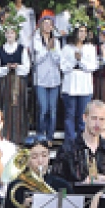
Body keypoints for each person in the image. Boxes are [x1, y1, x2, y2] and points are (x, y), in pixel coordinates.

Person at [59, 23, 97, 145]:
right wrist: (74, 60)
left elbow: (92, 66)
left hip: (85, 86)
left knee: (83, 116)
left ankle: (83, 141)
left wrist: (80, 60)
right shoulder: (67, 48)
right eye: (80, 31)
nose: (82, 34)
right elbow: (63, 67)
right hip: (70, 85)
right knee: (70, 115)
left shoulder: (90, 48)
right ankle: (69, 142)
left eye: (84, 32)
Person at [0, 22, 31, 145]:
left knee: (18, 110)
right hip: (4, 84)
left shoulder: (21, 49)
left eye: (12, 33)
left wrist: (17, 67)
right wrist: (6, 68)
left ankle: (18, 138)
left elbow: (26, 68)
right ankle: (4, 136)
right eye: (8, 33)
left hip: (18, 83)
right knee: (4, 108)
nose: (10, 35)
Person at [32, 12, 63, 143]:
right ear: (40, 25)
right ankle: (40, 135)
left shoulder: (56, 41)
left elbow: (58, 60)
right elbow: (36, 60)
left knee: (53, 110)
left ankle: (50, 137)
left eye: (50, 24)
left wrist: (52, 49)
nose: (47, 26)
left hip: (54, 80)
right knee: (43, 109)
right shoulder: (36, 39)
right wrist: (47, 49)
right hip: (41, 80)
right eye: (45, 23)